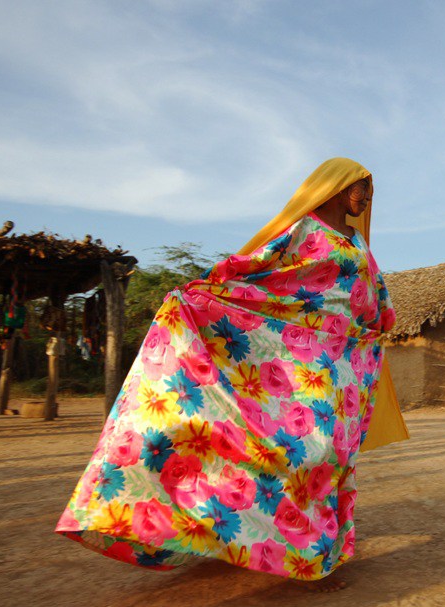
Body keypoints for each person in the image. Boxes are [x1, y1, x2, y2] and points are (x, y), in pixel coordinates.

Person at [56, 158, 408, 588]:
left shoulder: (358, 242)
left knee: (329, 454)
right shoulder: (304, 230)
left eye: (369, 191)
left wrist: (377, 327)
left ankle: (316, 551)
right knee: (298, 449)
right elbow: (257, 267)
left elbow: (373, 293)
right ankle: (266, 542)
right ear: (337, 187)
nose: (367, 198)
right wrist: (205, 292)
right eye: (361, 189)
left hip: (343, 366)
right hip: (295, 355)